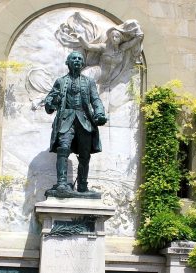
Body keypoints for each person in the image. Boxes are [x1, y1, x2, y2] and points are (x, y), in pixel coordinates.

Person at [45, 51, 107, 194]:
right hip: (66, 119)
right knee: (63, 148)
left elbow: (95, 99)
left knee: (85, 154)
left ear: (83, 63)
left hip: (84, 120)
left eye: (80, 59)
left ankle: (83, 185)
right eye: (74, 58)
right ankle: (61, 183)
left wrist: (100, 113)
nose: (77, 61)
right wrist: (52, 102)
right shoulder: (60, 81)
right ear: (68, 62)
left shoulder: (89, 82)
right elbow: (50, 101)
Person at [72, 20, 144, 88]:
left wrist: (135, 28)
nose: (114, 38)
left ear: (120, 39)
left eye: (116, 37)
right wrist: (80, 37)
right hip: (97, 73)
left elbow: (137, 38)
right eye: (112, 37)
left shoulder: (122, 48)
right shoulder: (104, 47)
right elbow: (88, 46)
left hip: (108, 80)